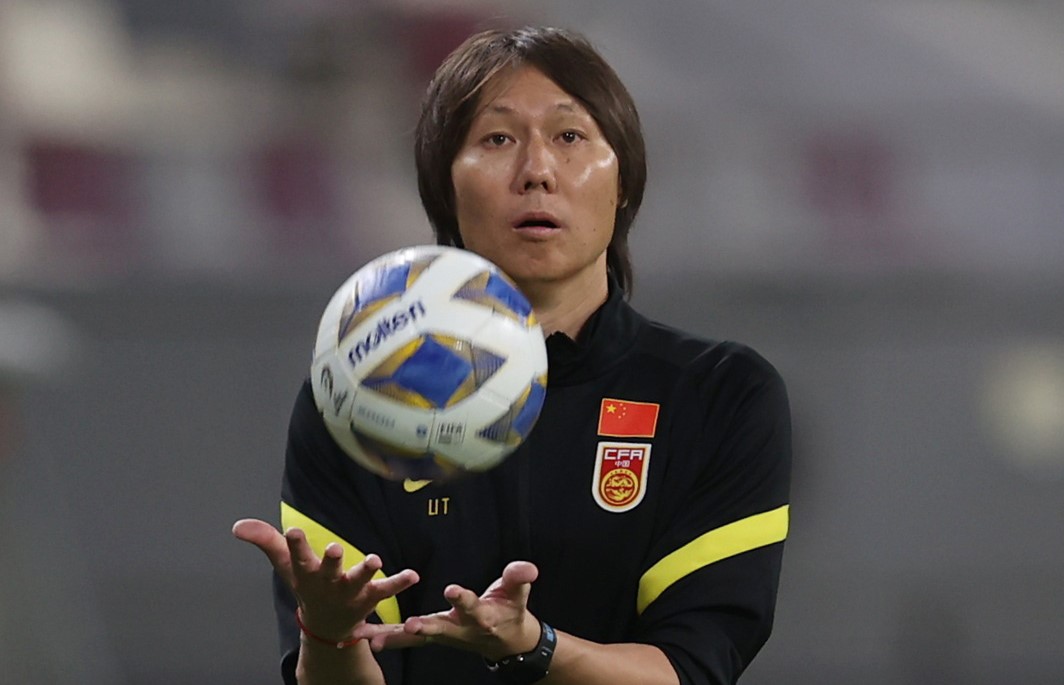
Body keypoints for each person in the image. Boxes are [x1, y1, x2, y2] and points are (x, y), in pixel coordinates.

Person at [234, 25, 792, 685]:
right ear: (444, 185)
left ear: (624, 180)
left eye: (570, 136)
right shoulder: (358, 394)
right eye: (497, 139)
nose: (537, 171)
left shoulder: (719, 394)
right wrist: (327, 630)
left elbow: (693, 668)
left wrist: (535, 646)